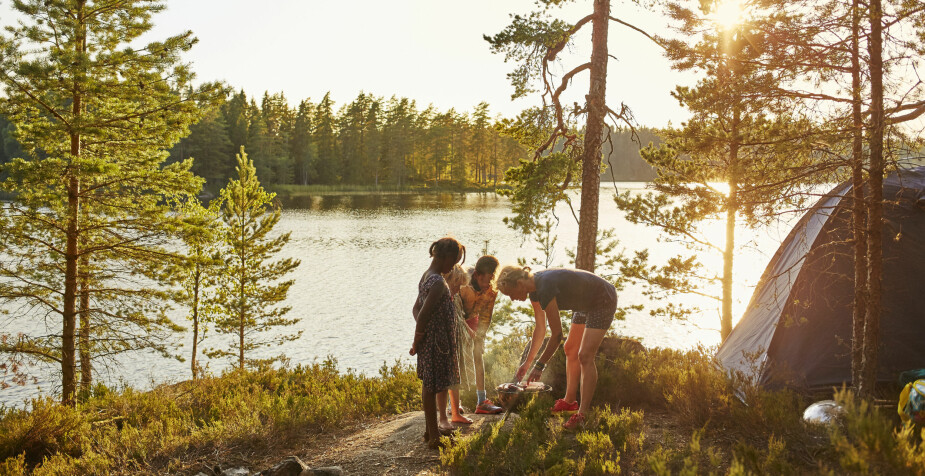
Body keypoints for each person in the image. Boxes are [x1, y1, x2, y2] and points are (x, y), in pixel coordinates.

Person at [496, 266, 618, 430]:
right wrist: (527, 363)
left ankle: (582, 415)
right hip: (585, 303)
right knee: (570, 349)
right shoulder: (533, 289)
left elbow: (557, 335)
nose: (511, 299)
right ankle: (569, 402)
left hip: (602, 298)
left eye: (510, 293)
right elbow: (540, 329)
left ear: (519, 283)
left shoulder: (545, 286)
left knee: (585, 355)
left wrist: (539, 366)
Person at [411, 237, 464, 448]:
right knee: (431, 387)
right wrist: (419, 339)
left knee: (430, 385)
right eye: (454, 261)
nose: (454, 266)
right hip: (436, 343)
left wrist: (423, 331)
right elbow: (422, 314)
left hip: (432, 340)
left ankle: (429, 432)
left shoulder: (427, 276)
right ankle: (434, 437)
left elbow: (415, 309)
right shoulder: (438, 283)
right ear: (446, 257)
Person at [459, 255, 503, 415]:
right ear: (477, 275)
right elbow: (454, 311)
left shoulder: (491, 289)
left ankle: (481, 401)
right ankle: (454, 403)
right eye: (487, 279)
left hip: (472, 318)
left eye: (492, 278)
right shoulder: (462, 283)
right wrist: (466, 330)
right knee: (457, 356)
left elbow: (485, 317)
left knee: (478, 354)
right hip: (456, 318)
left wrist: (480, 337)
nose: (489, 284)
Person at [436, 264, 475, 428]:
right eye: (457, 285)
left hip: (456, 339)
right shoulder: (442, 296)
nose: (459, 288)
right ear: (448, 281)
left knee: (455, 377)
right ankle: (447, 415)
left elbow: (459, 316)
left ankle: (455, 410)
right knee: (446, 379)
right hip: (446, 341)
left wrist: (468, 330)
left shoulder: (454, 296)